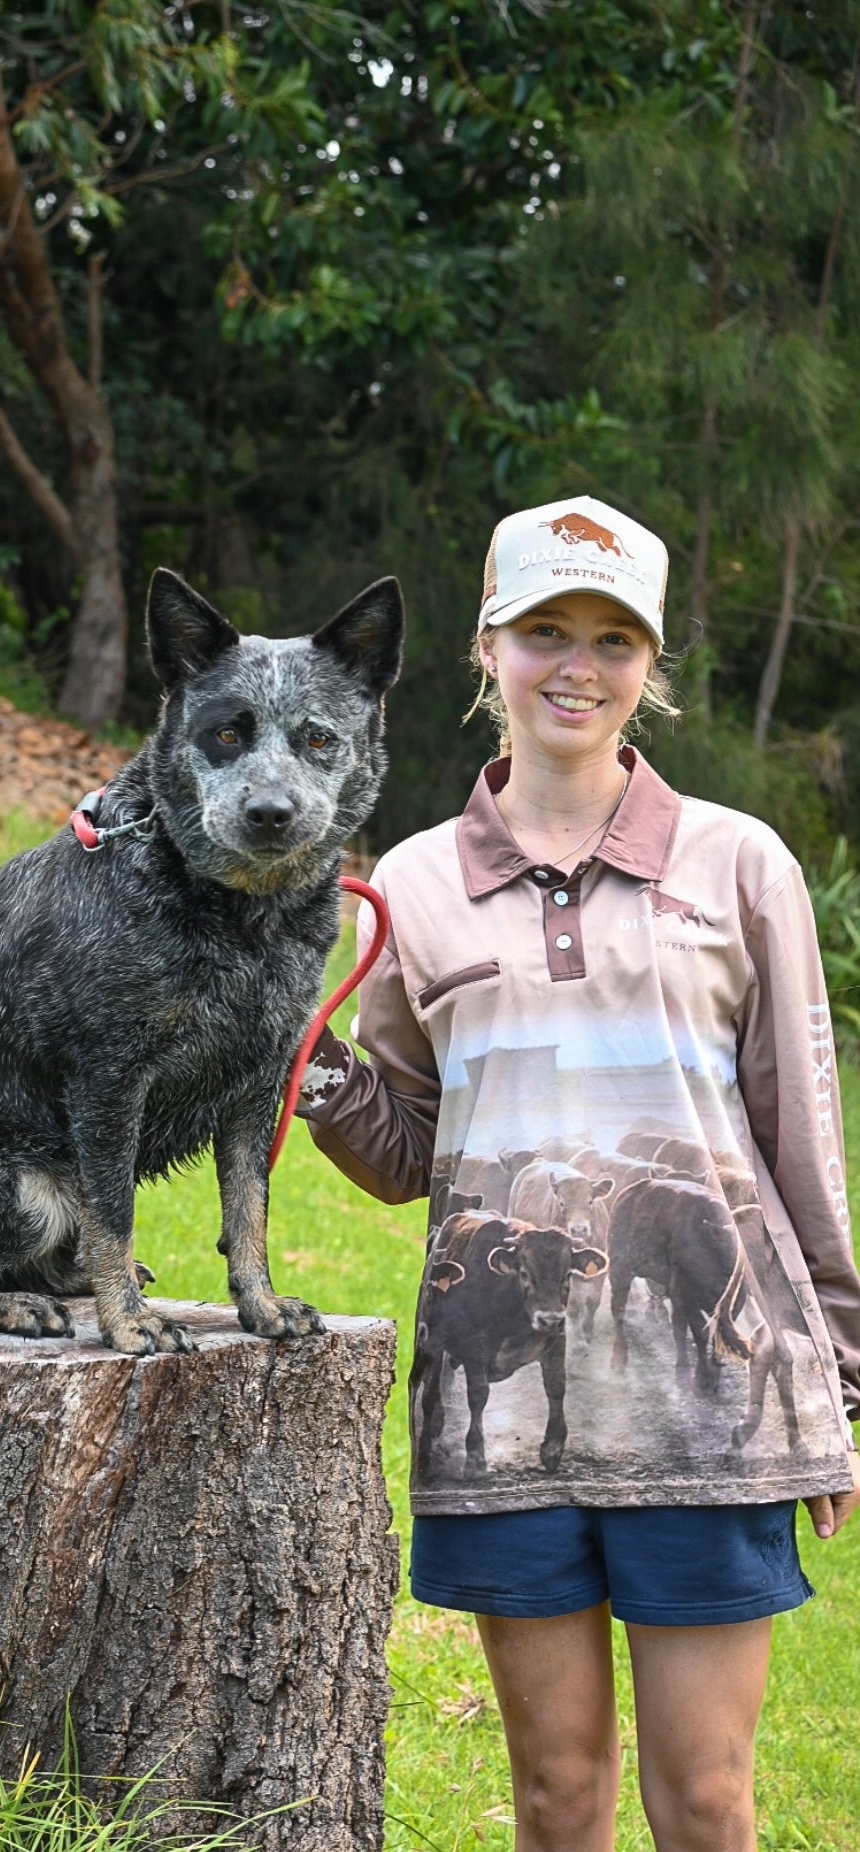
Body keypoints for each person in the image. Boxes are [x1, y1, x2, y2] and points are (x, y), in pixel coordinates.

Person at [297, 494, 860, 1852]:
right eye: (546, 628)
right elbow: (407, 1153)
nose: (578, 664)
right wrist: (306, 1074)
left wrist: (840, 1377)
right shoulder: (417, 884)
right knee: (553, 1797)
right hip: (500, 1420)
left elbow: (801, 1132)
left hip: (712, 1414)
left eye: (613, 639)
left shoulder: (741, 864)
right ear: (489, 646)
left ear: (647, 667)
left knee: (710, 1800)